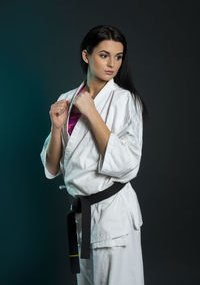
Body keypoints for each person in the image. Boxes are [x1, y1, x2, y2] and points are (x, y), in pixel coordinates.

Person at [40, 24, 148, 285]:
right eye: (104, 55)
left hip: (115, 218)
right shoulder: (67, 98)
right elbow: (52, 168)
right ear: (86, 56)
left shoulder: (126, 101)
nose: (112, 64)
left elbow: (128, 165)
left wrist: (90, 111)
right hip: (82, 220)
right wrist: (56, 129)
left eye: (118, 56)